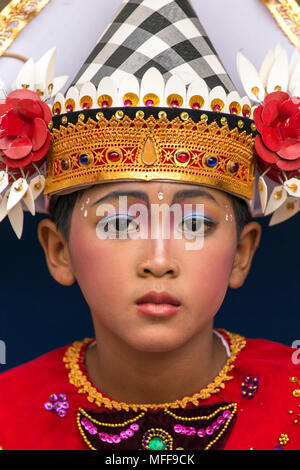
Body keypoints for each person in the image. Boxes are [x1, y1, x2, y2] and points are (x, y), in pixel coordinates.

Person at [0, 0, 299, 451]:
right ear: (58, 250)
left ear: (242, 252)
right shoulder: (9, 415)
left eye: (195, 224)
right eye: (120, 222)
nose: (159, 261)